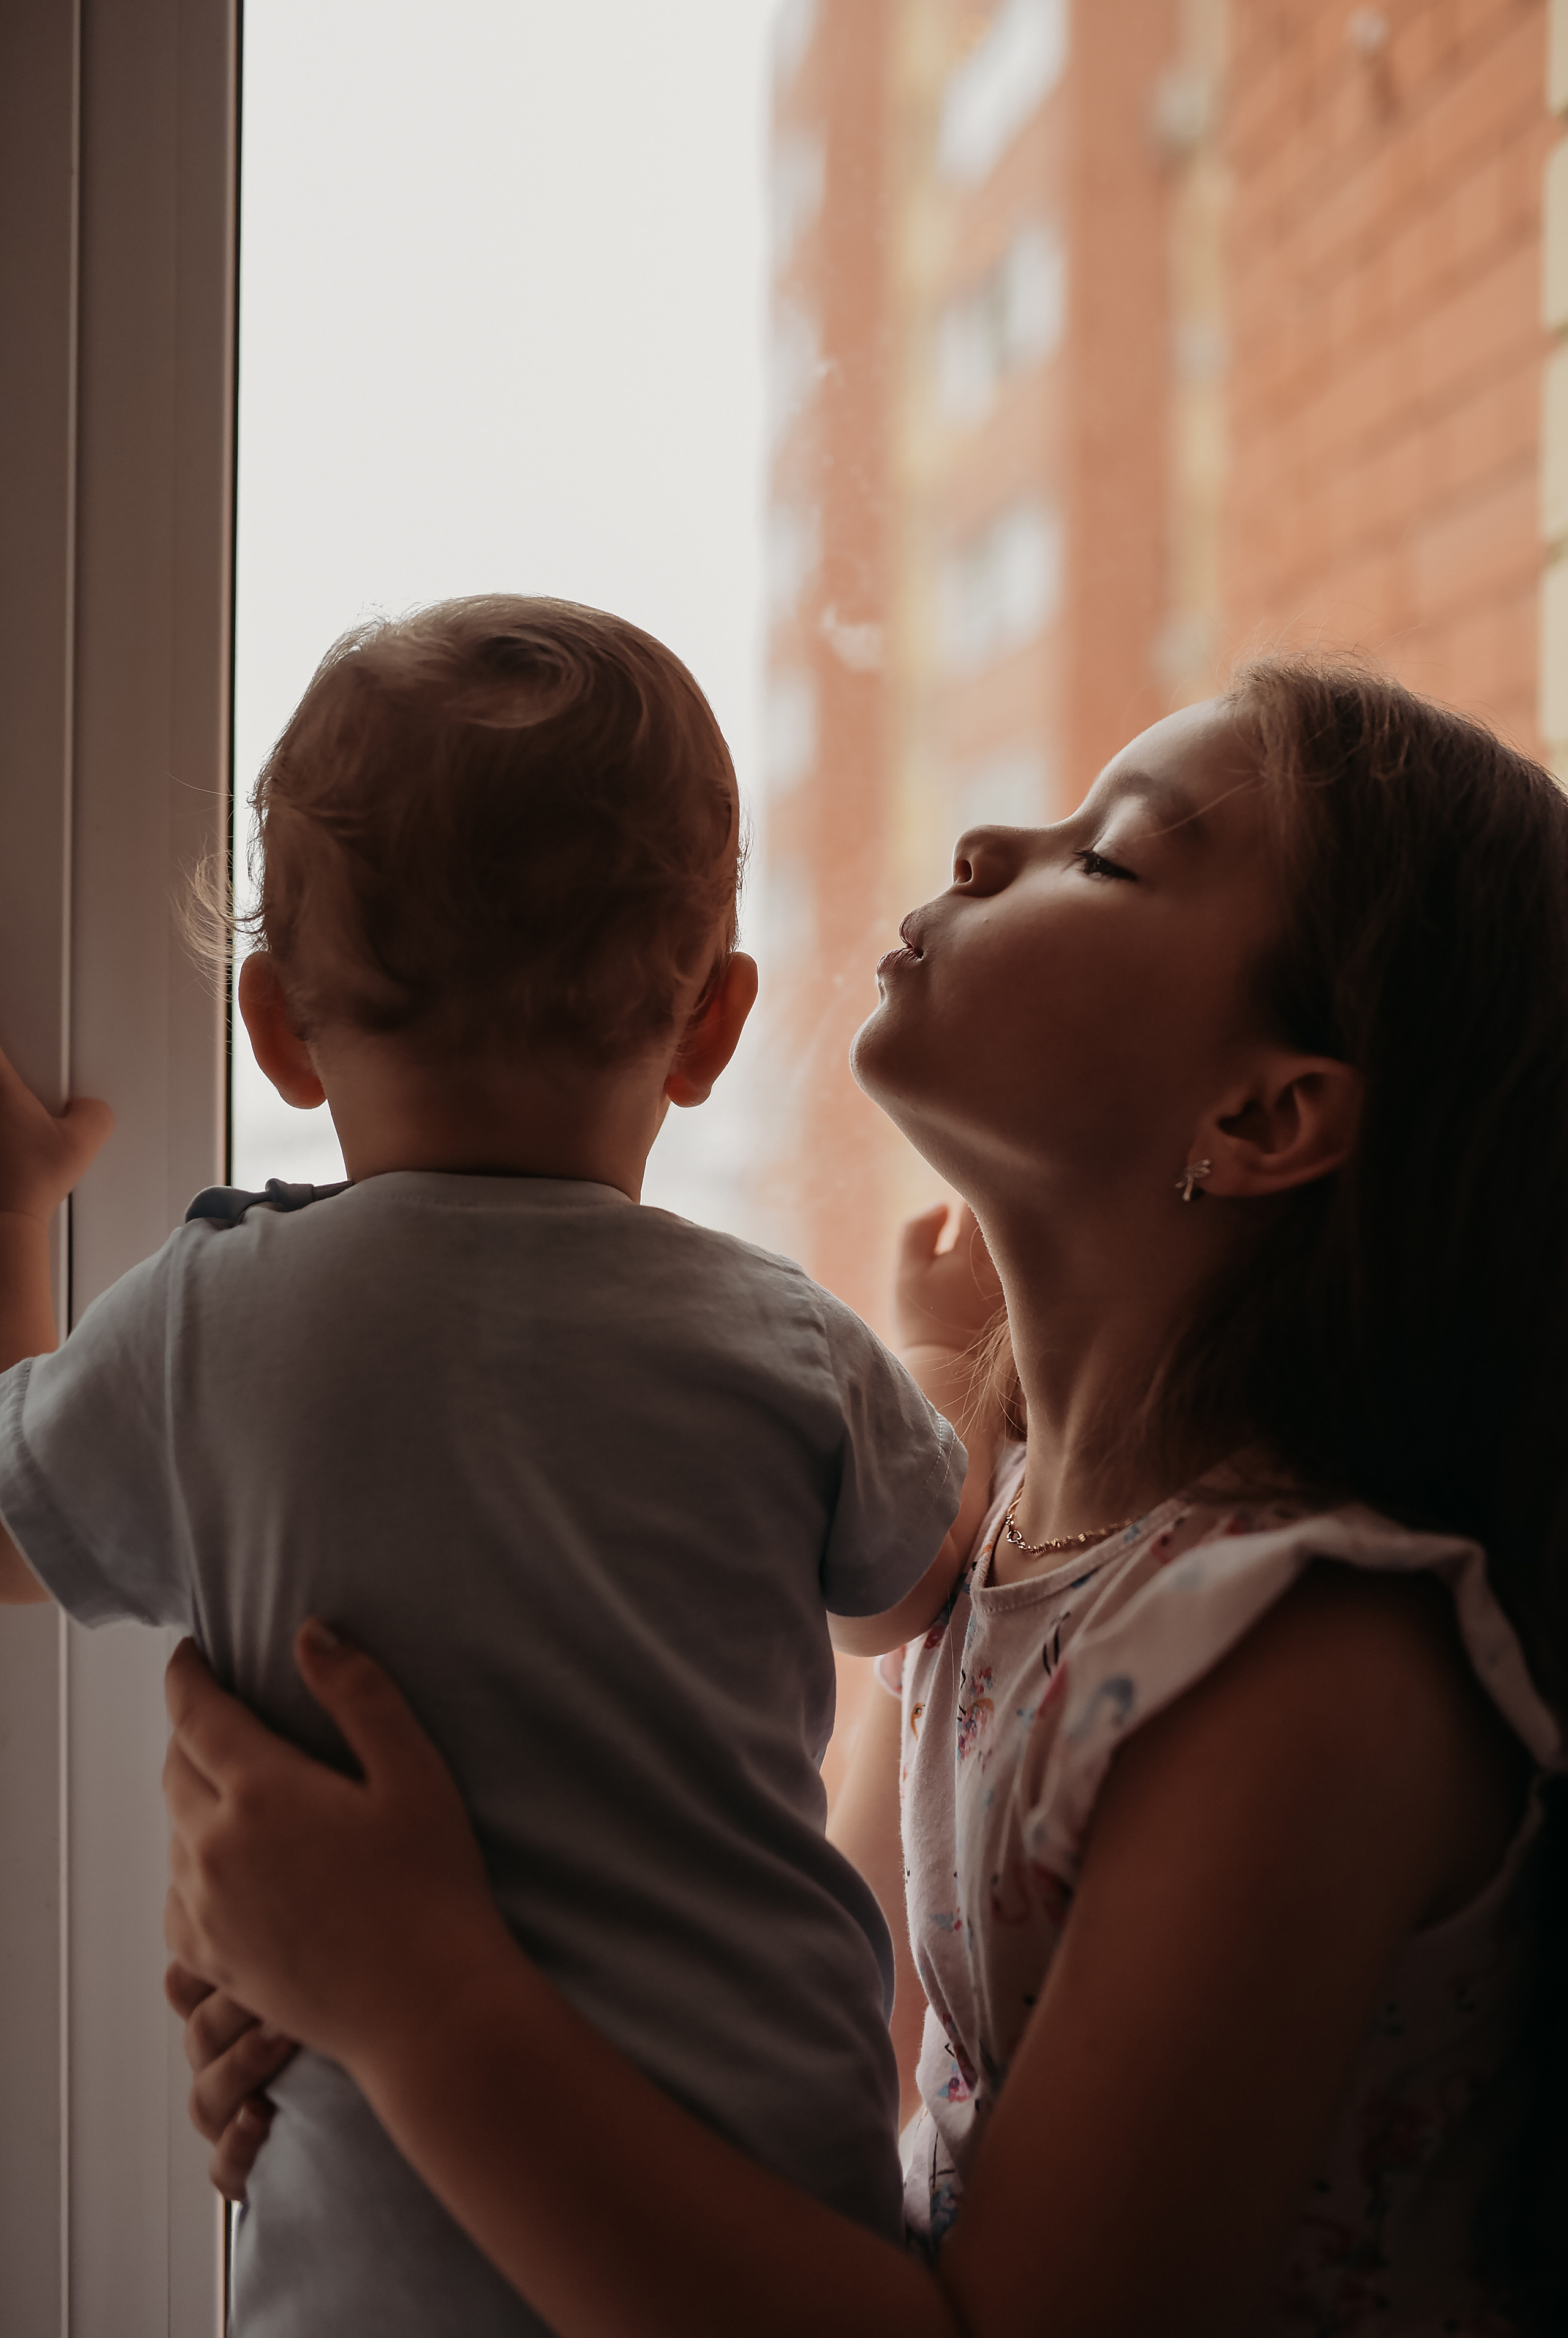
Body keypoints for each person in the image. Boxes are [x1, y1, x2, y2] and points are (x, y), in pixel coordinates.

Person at [165, 659, 1568, 2337]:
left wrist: (422, 2005)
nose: (985, 839)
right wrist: (366, 2074)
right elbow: (781, 2055)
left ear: (1263, 1114)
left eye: (1106, 856)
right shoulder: (1005, 1560)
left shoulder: (1311, 1672)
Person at [0, 597, 979, 2337]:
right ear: (712, 1025)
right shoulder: (785, 1343)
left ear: (277, 1031)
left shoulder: (213, 1326)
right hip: (742, 2226)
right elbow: (922, 1587)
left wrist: (13, 1219)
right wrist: (957, 1361)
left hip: (376, 2265)